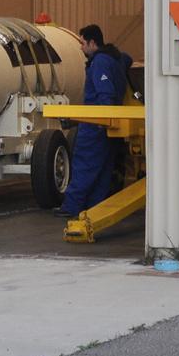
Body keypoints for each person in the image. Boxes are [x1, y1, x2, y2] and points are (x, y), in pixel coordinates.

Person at [56, 24, 128, 218]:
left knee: (85, 165)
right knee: (103, 170)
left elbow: (106, 94)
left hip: (97, 124)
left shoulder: (100, 62)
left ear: (92, 42)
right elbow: (126, 59)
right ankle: (94, 209)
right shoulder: (115, 59)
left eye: (82, 43)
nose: (81, 47)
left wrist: (101, 121)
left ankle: (72, 207)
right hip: (111, 126)